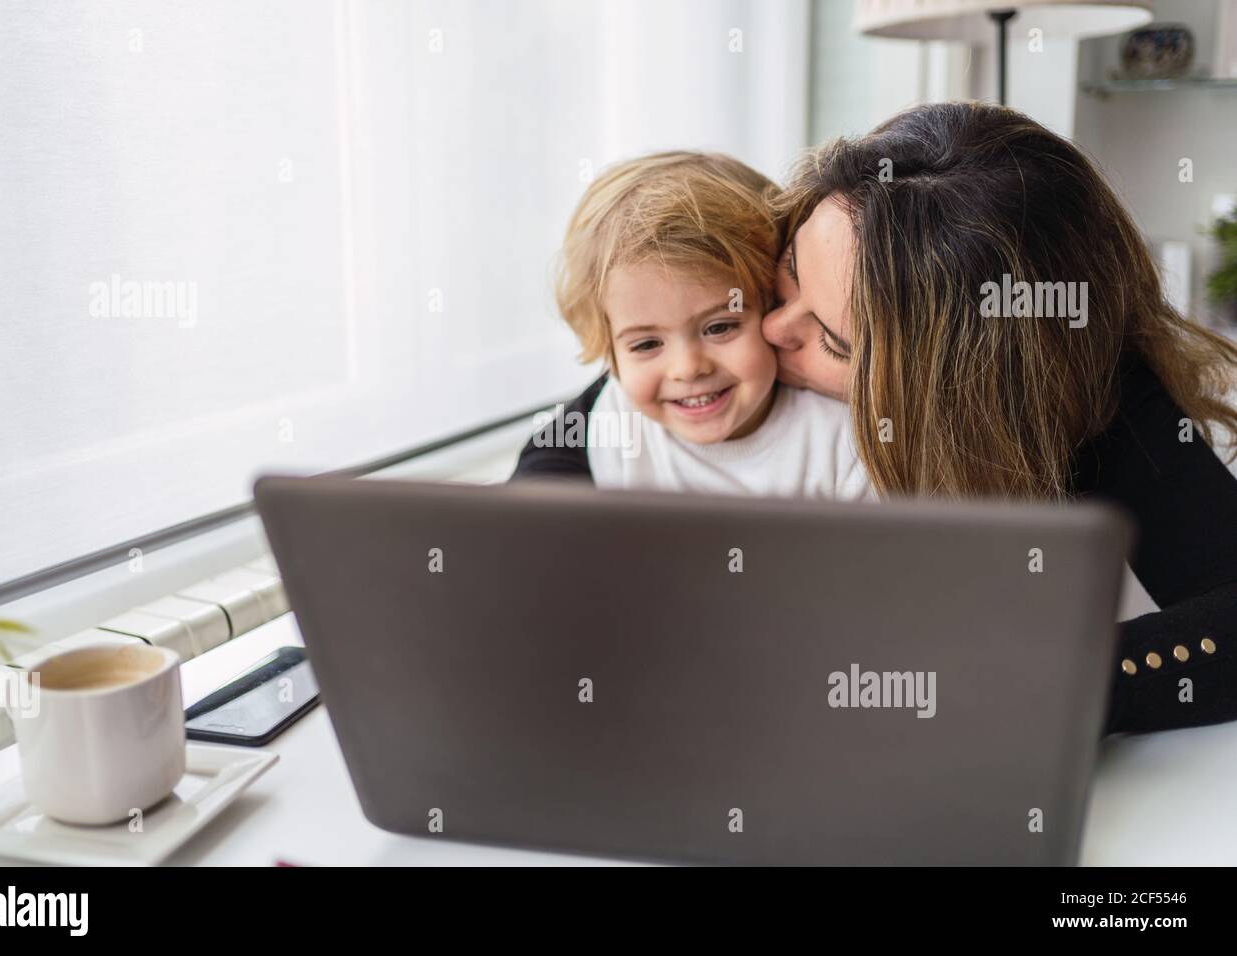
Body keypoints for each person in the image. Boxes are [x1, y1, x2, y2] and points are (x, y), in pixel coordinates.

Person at [516, 103, 1237, 736]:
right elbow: (610, 401)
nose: (771, 330)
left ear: (943, 387)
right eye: (787, 270)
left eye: (831, 339)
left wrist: (1043, 683)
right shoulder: (726, 342)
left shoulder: (1104, 411)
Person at [524, 150, 868, 499]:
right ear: (610, 356)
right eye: (646, 344)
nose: (687, 369)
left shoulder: (840, 439)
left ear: (771, 303)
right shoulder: (611, 420)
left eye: (719, 327)